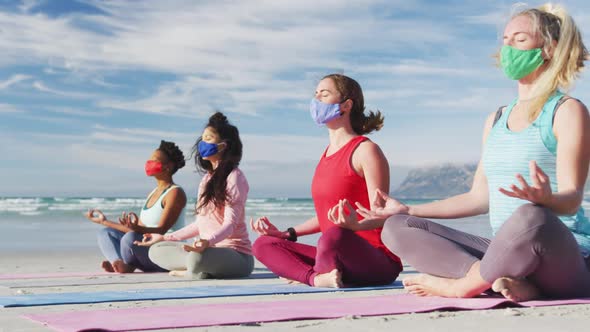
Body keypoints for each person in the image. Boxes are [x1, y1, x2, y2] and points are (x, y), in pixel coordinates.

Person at [329, 4, 590, 301]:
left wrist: (546, 200)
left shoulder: (567, 111)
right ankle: (495, 279)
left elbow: (571, 200)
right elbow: (479, 198)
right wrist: (409, 210)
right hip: (507, 255)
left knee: (530, 216)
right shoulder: (496, 120)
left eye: (519, 40)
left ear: (549, 50)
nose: (508, 49)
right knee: (397, 227)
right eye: (505, 40)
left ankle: (465, 285)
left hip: (566, 256)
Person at [250, 74, 402, 288]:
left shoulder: (366, 151)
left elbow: (383, 214)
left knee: (333, 237)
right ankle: (316, 278)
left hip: (375, 261)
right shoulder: (326, 155)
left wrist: (354, 226)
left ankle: (307, 273)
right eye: (315, 95)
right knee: (264, 244)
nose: (316, 100)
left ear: (346, 105)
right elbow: (326, 217)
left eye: (324, 94)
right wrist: (288, 233)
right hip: (332, 249)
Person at [136, 112, 254, 279]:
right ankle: (197, 270)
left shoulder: (235, 177)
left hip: (236, 255)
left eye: (209, 138)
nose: (202, 143)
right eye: (202, 138)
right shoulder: (207, 179)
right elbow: (200, 224)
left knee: (197, 258)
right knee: (156, 250)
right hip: (205, 249)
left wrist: (208, 242)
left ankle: (194, 270)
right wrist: (164, 237)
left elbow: (230, 225)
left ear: (223, 145)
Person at [85, 140, 187, 273]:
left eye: (153, 160)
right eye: (148, 160)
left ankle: (128, 265)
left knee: (130, 238)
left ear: (168, 166)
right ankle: (118, 263)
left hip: (165, 252)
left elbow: (162, 230)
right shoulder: (152, 193)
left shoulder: (175, 193)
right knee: (106, 233)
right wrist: (104, 221)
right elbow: (136, 230)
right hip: (147, 246)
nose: (148, 163)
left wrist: (136, 229)